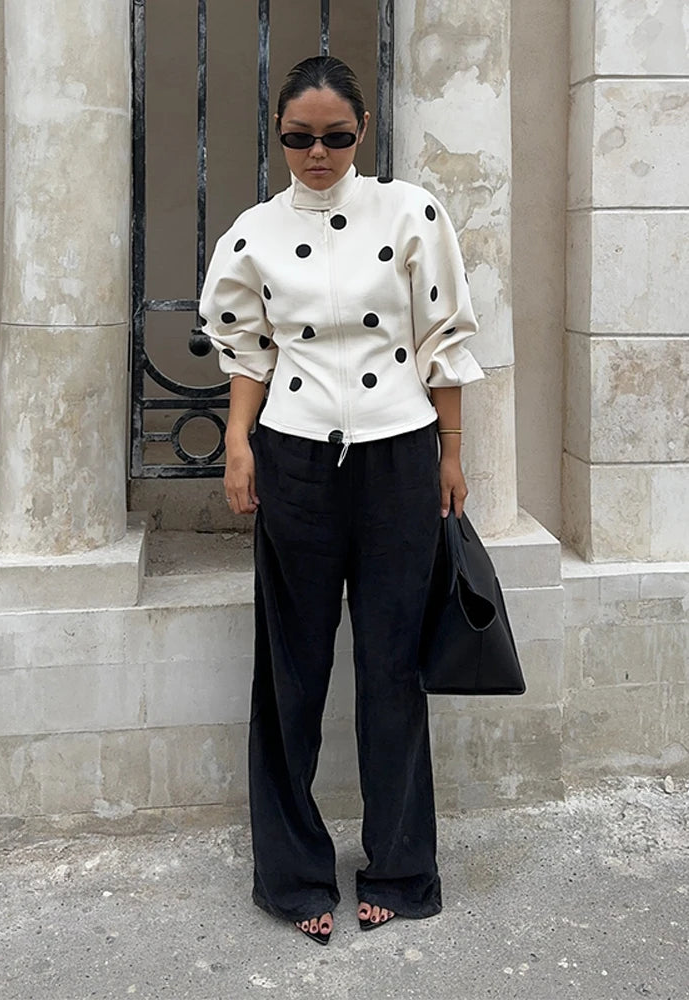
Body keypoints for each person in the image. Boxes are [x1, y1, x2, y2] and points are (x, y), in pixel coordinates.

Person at [199, 55, 484, 945]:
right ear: (279, 137)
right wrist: (238, 444)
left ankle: (400, 868)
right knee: (291, 672)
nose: (316, 153)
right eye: (298, 137)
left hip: (399, 458)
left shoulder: (410, 213)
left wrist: (452, 452)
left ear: (362, 130)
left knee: (393, 668)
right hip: (294, 461)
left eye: (333, 136)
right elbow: (247, 349)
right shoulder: (253, 233)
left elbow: (442, 339)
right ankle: (293, 875)